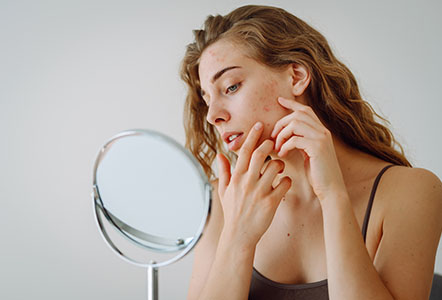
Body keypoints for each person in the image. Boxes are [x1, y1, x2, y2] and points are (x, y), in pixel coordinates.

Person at [180, 5, 442, 300]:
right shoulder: (223, 199)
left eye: (230, 87)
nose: (213, 115)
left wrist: (332, 196)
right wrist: (238, 236)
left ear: (296, 76)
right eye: (207, 99)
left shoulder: (410, 192)